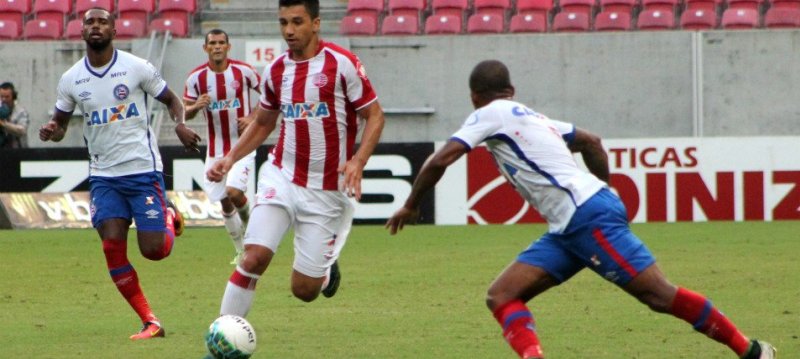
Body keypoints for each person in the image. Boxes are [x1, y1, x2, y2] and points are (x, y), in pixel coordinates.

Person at [385, 60, 776, 359]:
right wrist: (606, 187)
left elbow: (440, 160)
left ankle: (751, 351)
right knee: (502, 295)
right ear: (512, 89)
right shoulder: (533, 117)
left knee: (658, 295)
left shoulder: (487, 115)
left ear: (474, 97)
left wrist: (410, 205)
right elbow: (591, 141)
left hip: (584, 216)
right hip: (570, 225)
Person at [206, 0, 384, 317]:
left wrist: (358, 161)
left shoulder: (342, 64)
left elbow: (375, 115)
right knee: (253, 257)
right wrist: (230, 157)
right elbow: (264, 121)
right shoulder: (276, 70)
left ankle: (325, 270)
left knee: (304, 290)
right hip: (283, 174)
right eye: (283, 22)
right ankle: (223, 337)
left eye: (297, 22)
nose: (289, 30)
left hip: (328, 189)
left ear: (316, 23)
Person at [39, 8, 201, 340]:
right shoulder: (71, 79)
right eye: (89, 22)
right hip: (103, 176)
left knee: (154, 251)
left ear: (114, 29)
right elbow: (60, 125)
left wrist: (180, 124)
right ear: (81, 30)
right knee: (112, 247)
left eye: (102, 22)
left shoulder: (136, 67)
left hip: (142, 171)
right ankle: (150, 321)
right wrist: (52, 128)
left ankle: (169, 216)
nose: (95, 26)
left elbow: (172, 101)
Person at [184, 29, 261, 265]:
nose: (217, 47)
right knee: (224, 201)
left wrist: (253, 118)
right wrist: (197, 105)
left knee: (235, 192)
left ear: (229, 46)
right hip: (215, 150)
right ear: (205, 48)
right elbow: (183, 111)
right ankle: (240, 251)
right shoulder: (196, 78)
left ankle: (256, 236)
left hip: (243, 145)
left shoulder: (244, 71)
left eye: (221, 43)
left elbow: (270, 96)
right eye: (212, 43)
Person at [0, 82, 30, 149]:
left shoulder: (21, 112)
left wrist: (3, 124)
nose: (4, 99)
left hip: (18, 151)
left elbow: (22, 130)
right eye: (2, 97)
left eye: (7, 97)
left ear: (13, 96)